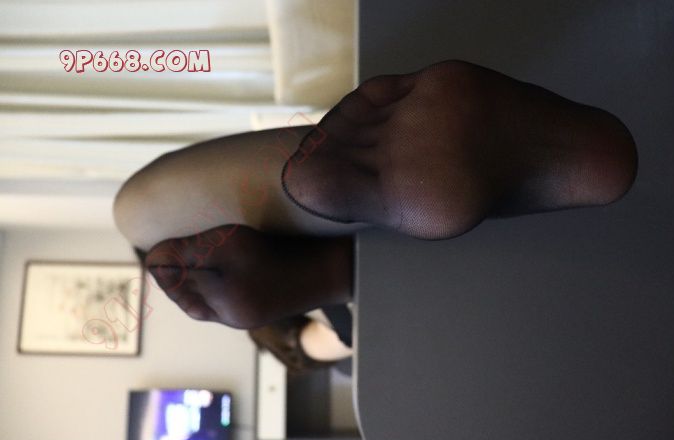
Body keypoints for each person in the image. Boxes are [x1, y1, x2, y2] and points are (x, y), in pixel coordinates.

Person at [115, 60, 637, 370]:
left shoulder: (257, 320)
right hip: (333, 279)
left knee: (138, 220)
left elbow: (315, 350)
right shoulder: (255, 312)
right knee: (136, 214)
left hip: (362, 281)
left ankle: (338, 263)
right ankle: (334, 249)